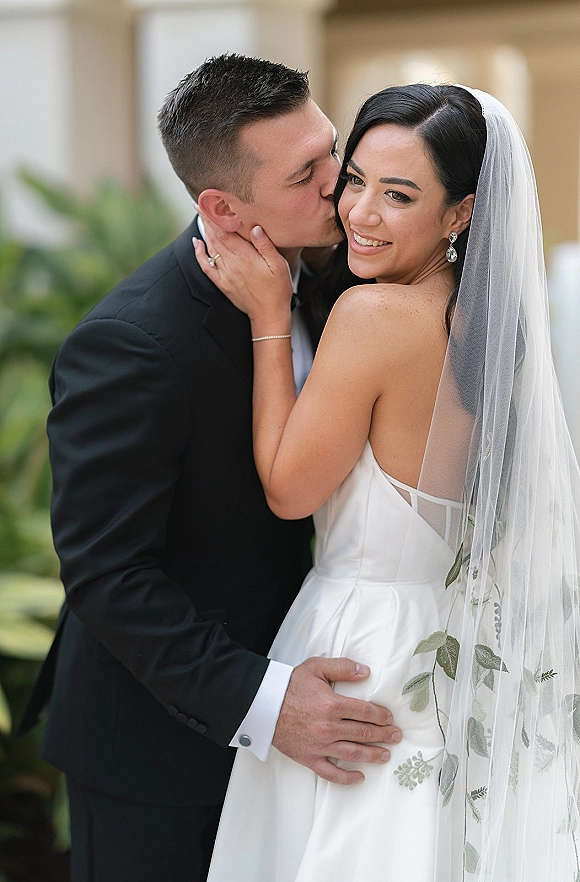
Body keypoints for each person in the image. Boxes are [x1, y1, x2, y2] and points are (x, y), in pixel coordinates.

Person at [17, 55, 402, 882]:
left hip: (316, 719)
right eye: (308, 174)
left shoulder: (347, 264)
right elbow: (109, 573)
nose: (342, 185)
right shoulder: (132, 344)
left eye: (332, 148)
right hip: (155, 756)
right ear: (223, 208)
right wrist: (266, 703)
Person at [196, 84, 580, 881]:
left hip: (361, 646)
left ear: (460, 214)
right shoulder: (492, 333)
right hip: (455, 647)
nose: (360, 213)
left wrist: (270, 316)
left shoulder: (375, 318)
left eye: (398, 194)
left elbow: (290, 491)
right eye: (356, 180)